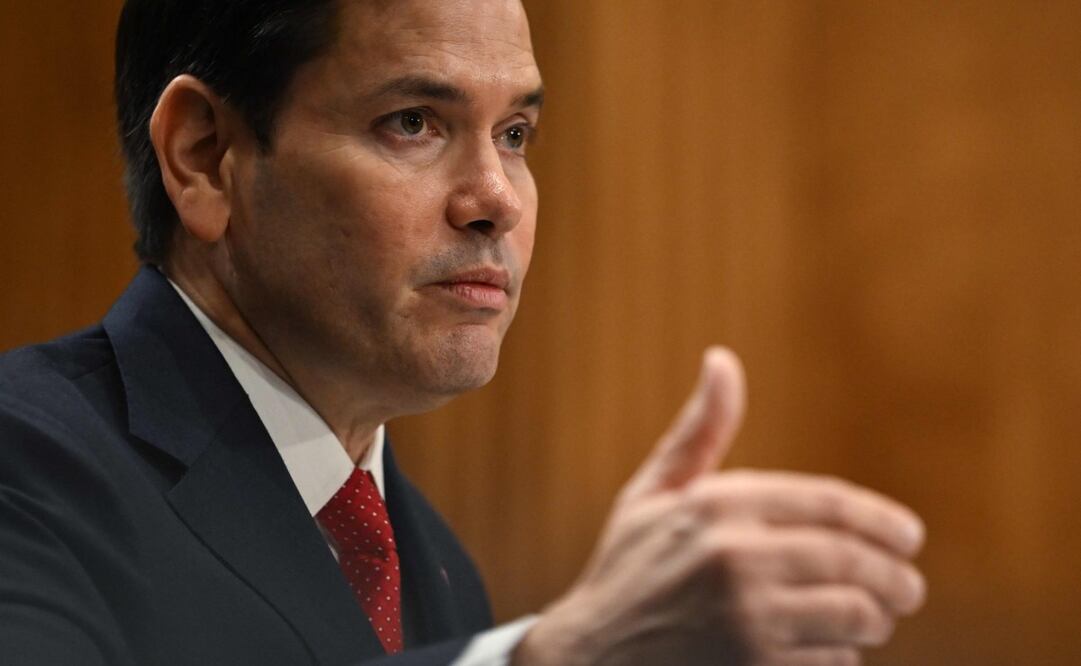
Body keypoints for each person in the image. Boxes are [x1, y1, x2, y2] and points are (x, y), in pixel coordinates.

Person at [0, 1, 927, 664]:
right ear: (205, 157)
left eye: (516, 134)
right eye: (413, 123)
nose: (494, 199)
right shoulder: (27, 465)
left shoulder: (434, 566)